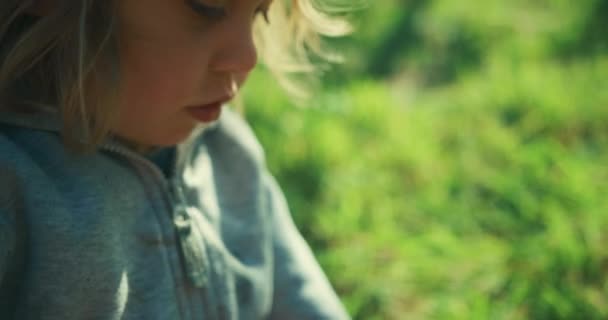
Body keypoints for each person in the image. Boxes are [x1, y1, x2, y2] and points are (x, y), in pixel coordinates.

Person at [0, 0, 351, 318]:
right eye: (207, 8)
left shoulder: (227, 151)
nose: (248, 57)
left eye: (260, 12)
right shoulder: (15, 187)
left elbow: (303, 301)